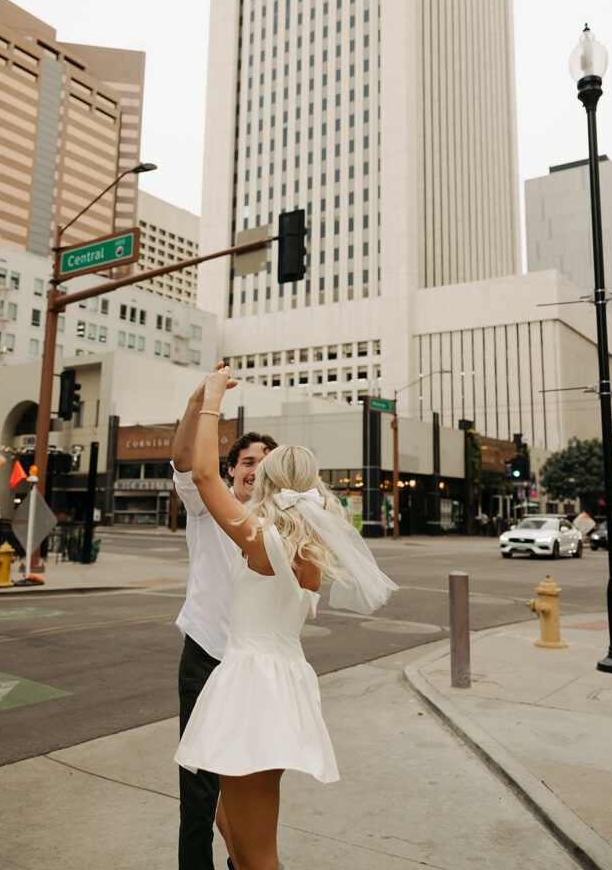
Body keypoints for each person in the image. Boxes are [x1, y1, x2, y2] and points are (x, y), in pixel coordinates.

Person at [175, 366, 398, 870]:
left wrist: (210, 398)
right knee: (238, 836)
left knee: (258, 857)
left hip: (251, 683)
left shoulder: (262, 542)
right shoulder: (309, 549)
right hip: (280, 681)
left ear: (269, 487)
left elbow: (206, 474)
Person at [172, 364, 277, 870]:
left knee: (245, 784)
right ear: (233, 468)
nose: (256, 467)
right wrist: (198, 403)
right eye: (248, 459)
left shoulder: (278, 526)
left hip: (252, 664)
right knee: (198, 794)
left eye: (266, 462)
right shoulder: (204, 503)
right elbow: (186, 461)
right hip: (205, 654)